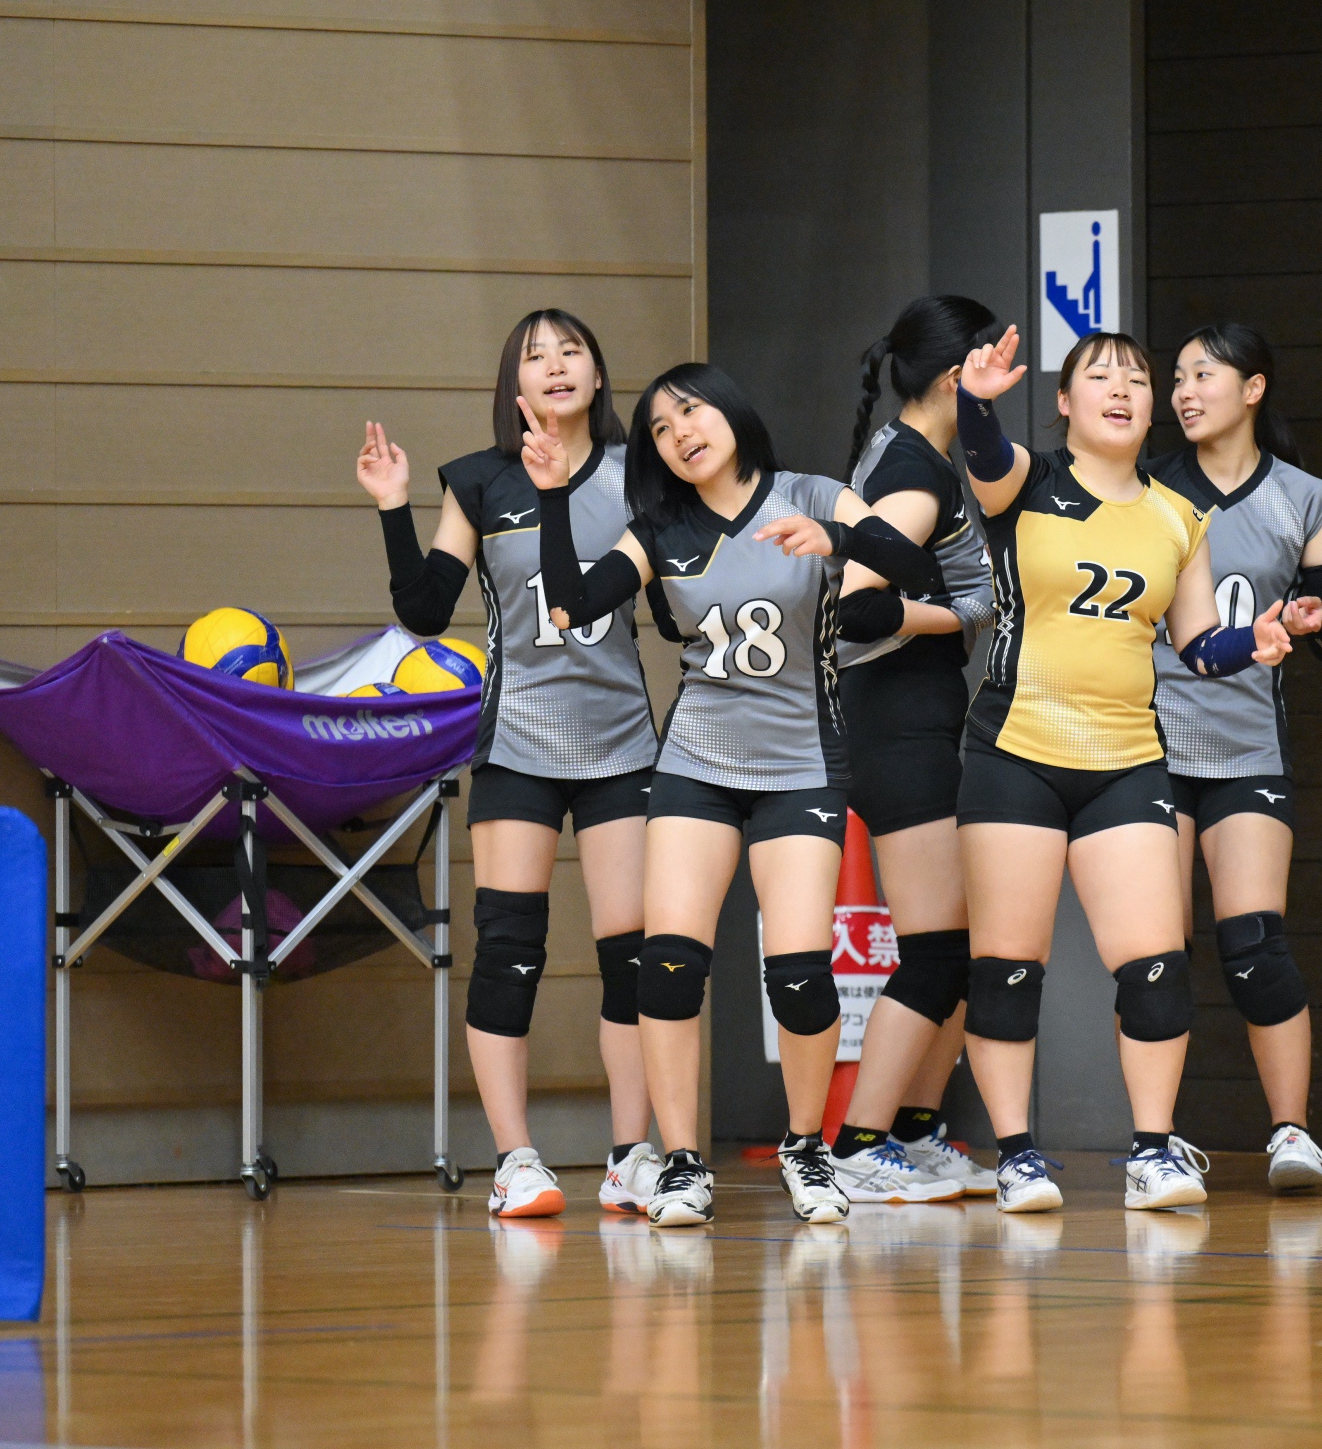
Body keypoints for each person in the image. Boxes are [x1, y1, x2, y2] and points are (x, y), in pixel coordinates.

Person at [528, 362, 940, 1227]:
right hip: (697, 764)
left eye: (692, 410)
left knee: (800, 974)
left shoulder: (811, 494)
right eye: (661, 428)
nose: (681, 432)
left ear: (731, 411)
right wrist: (556, 498)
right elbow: (569, 607)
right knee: (669, 965)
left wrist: (841, 539)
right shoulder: (660, 531)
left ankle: (806, 1147)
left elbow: (914, 563)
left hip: (801, 764)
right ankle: (682, 1162)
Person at [949, 326, 1296, 1213]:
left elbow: (1198, 643)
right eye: (1099, 377)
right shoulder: (1025, 483)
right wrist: (976, 399)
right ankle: (1017, 1156)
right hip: (1016, 750)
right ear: (1065, 404)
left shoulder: (1179, 517)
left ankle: (1152, 1151)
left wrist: (1250, 644)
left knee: (1156, 967)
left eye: (1137, 379)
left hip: (1128, 758)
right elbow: (981, 450)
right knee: (1007, 969)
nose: (1121, 389)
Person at [356, 309, 660, 1220]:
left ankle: (631, 1156)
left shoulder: (640, 474)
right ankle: (516, 1161)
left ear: (598, 377)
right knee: (509, 952)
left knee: (634, 958)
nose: (556, 365)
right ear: (514, 386)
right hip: (518, 744)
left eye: (572, 351)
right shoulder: (482, 480)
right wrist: (392, 506)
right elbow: (423, 610)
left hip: (622, 746)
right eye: (535, 356)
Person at [1147, 323, 1322, 1191]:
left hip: (1246, 750)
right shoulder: (1150, 490)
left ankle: (1292, 1134)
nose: (1184, 392)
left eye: (1205, 375)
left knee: (1255, 945)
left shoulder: (1308, 499)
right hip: (1149, 747)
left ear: (1254, 388)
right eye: (1178, 378)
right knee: (1156, 952)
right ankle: (1154, 1143)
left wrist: (1313, 620)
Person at [823, 296, 1005, 1203]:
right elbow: (858, 607)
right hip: (894, 722)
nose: (1006, 378)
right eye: (993, 361)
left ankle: (915, 1130)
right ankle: (859, 1146)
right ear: (955, 374)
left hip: (918, 717)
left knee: (960, 948)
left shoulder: (919, 455)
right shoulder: (913, 473)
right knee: (936, 949)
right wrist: (965, 613)